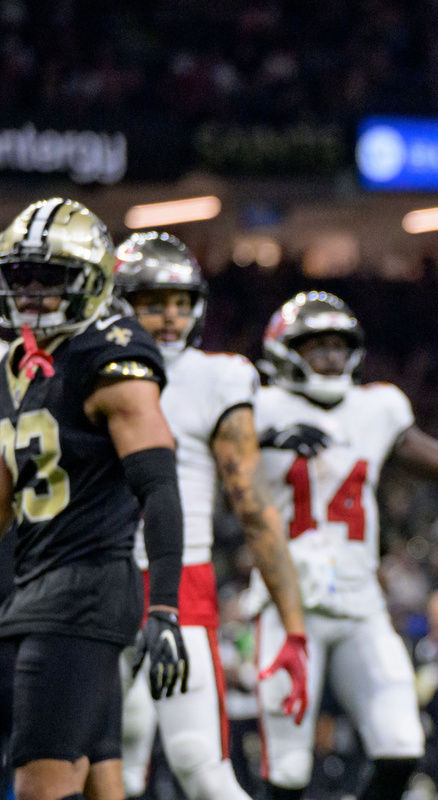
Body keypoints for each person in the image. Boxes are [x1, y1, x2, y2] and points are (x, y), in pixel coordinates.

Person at [248, 290, 438, 800]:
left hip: (360, 603)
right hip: (287, 604)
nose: (331, 356)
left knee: (402, 744)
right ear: (284, 349)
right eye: (317, 345)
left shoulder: (376, 407)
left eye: (339, 344)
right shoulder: (257, 406)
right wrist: (264, 438)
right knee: (288, 768)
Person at [0, 199, 188, 800]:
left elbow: (158, 482)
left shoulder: (110, 357)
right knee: (100, 779)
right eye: (19, 276)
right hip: (33, 583)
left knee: (41, 785)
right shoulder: (18, 360)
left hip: (83, 588)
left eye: (49, 277)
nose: (30, 293)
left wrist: (165, 606)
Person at [111, 231, 310, 800]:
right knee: (101, 761)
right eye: (153, 303)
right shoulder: (82, 367)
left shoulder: (215, 376)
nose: (170, 318)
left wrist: (293, 630)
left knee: (199, 761)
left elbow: (253, 506)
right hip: (93, 578)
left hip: (180, 585)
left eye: (180, 303)